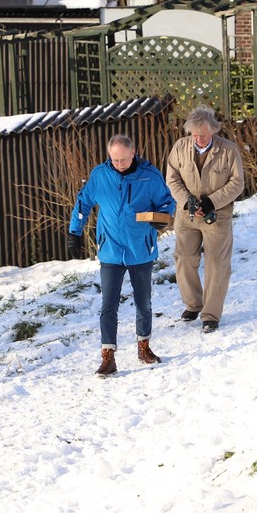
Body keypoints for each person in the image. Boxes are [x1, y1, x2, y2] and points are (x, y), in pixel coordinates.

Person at [68, 134, 176, 376]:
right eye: (114, 160)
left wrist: (162, 218)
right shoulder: (100, 175)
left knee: (143, 303)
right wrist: (75, 231)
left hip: (140, 249)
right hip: (111, 250)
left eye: (123, 160)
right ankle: (108, 356)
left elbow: (167, 202)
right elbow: (83, 202)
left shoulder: (150, 175)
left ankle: (144, 347)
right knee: (108, 305)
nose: (119, 164)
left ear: (133, 153)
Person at [163, 105, 244, 334]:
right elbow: (172, 178)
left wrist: (211, 202)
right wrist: (186, 200)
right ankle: (193, 304)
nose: (199, 139)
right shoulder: (180, 147)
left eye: (204, 135)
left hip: (217, 215)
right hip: (186, 214)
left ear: (214, 131)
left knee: (217, 264)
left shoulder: (228, 150)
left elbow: (237, 183)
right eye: (195, 135)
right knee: (184, 258)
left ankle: (211, 315)